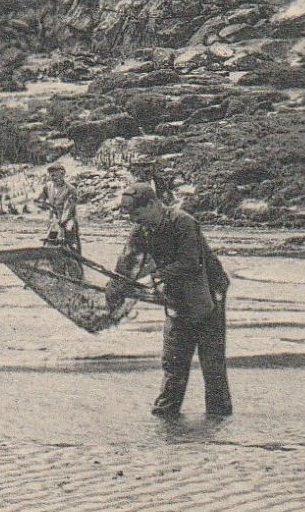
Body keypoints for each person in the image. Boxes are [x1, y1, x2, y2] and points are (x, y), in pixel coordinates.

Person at [106, 183, 232, 418]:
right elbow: (127, 264)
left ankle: (219, 418)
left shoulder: (183, 222)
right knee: (174, 360)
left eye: (136, 213)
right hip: (176, 293)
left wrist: (154, 277)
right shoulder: (142, 229)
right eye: (130, 215)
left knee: (212, 363)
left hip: (208, 292)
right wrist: (114, 290)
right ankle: (166, 414)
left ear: (153, 204)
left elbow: (191, 262)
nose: (133, 220)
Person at [36, 164, 82, 256]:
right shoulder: (48, 187)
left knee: (70, 241)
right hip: (54, 219)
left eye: (55, 175)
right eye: (51, 176)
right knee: (50, 241)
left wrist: (62, 222)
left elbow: (68, 208)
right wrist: (46, 205)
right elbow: (39, 200)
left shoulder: (70, 189)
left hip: (68, 220)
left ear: (62, 174)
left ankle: (74, 258)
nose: (53, 178)